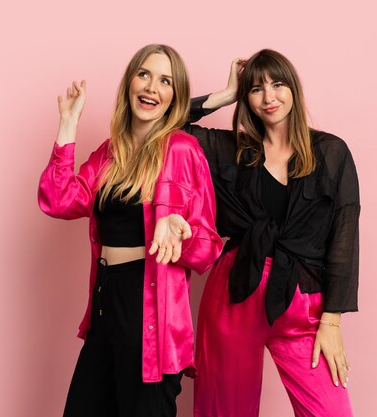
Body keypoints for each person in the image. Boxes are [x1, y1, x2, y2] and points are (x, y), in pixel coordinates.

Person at [38, 44, 222, 417]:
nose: (152, 86)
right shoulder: (109, 153)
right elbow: (59, 201)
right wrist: (68, 128)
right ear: (129, 83)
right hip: (106, 302)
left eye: (165, 80)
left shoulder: (183, 150)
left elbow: (208, 246)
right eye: (144, 74)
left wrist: (179, 229)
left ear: (174, 96)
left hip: (150, 310)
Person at [184, 50, 360, 417]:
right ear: (245, 98)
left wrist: (332, 321)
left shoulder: (331, 152)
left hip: (303, 302)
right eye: (256, 89)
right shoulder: (230, 150)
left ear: (293, 89)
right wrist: (223, 94)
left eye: (278, 84)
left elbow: (345, 234)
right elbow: (162, 128)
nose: (269, 97)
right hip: (234, 295)